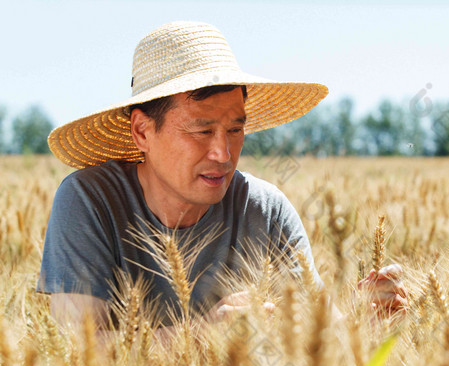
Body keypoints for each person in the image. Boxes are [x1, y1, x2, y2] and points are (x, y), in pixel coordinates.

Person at [37, 21, 406, 331]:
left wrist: (365, 317)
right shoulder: (89, 201)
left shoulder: (265, 210)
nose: (223, 153)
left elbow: (319, 337)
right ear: (142, 132)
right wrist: (201, 337)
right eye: (201, 130)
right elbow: (79, 354)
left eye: (234, 129)